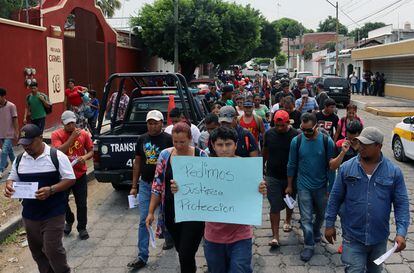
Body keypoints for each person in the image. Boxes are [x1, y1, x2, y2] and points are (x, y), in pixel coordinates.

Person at [325, 127, 410, 273]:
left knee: (375, 271)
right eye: (360, 143)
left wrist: (401, 232)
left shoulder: (393, 172)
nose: (361, 147)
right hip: (352, 236)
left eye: (366, 144)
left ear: (379, 146)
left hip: (379, 238)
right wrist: (329, 224)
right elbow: (335, 198)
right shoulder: (346, 168)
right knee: (354, 270)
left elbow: (401, 204)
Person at [4, 124, 76, 273]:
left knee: (52, 249)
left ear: (40, 138)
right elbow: (12, 177)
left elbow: (70, 178)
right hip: (30, 214)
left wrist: (51, 189)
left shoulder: (56, 156)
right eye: (23, 144)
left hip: (54, 212)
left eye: (30, 143)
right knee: (37, 251)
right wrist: (9, 185)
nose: (26, 147)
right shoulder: (20, 159)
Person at [201, 126, 267, 273]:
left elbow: (256, 195)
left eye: (228, 144)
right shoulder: (203, 169)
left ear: (236, 145)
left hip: (240, 235)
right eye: (219, 144)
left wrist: (261, 189)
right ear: (213, 145)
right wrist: (179, 189)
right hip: (213, 236)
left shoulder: (247, 168)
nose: (224, 149)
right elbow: (193, 191)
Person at [146, 122, 207, 273]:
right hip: (172, 213)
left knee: (186, 253)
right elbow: (157, 185)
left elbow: (209, 185)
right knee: (182, 251)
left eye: (182, 142)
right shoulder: (165, 155)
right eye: (175, 142)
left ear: (190, 139)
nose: (179, 145)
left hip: (195, 213)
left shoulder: (201, 155)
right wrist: (150, 212)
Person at [127, 110, 173, 270]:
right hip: (146, 185)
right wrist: (134, 186)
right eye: (149, 123)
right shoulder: (142, 139)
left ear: (162, 123)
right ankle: (142, 256)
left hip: (165, 185)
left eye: (155, 123)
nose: (152, 126)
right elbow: (138, 162)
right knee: (144, 220)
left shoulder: (169, 139)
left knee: (167, 216)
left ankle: (169, 238)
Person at [286, 113, 335, 262]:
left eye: (309, 130)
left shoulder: (327, 142)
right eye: (303, 129)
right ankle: (308, 245)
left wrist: (330, 189)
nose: (306, 133)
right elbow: (291, 164)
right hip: (303, 186)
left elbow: (331, 168)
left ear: (316, 126)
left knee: (321, 214)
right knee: (306, 217)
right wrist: (289, 185)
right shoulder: (297, 141)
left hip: (321, 186)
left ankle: (315, 232)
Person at [51, 111, 94, 240]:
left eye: (72, 123)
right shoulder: (56, 134)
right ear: (63, 123)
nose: (71, 126)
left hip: (79, 174)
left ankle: (82, 227)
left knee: (81, 203)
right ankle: (69, 219)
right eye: (68, 124)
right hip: (63, 176)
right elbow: (58, 151)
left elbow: (91, 151)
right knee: (62, 202)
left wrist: (84, 157)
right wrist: (72, 138)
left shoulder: (84, 134)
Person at [263, 110, 299, 247]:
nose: (279, 128)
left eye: (282, 126)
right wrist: (261, 168)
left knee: (289, 200)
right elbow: (265, 152)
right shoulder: (269, 134)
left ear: (288, 123)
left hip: (290, 176)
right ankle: (275, 237)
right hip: (272, 175)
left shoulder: (296, 135)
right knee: (274, 205)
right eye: (277, 126)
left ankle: (288, 220)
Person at [0, 88, 18, 179]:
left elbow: (15, 120)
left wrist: (16, 132)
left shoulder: (11, 106)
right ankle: (17, 167)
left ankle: (0, 170)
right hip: (1, 134)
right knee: (10, 152)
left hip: (9, 134)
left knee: (4, 152)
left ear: (3, 96)